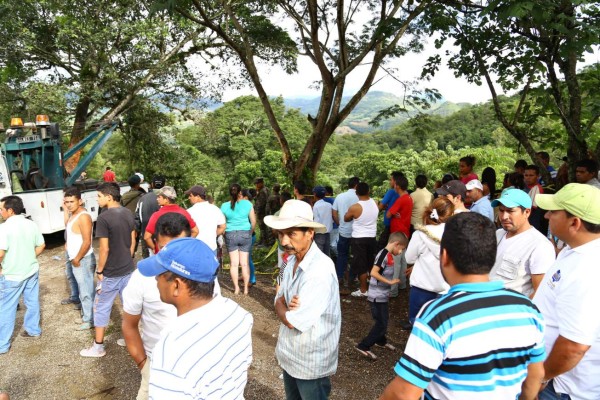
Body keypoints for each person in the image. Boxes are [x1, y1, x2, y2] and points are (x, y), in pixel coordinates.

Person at [380, 212, 546, 400]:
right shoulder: (528, 309)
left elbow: (403, 394)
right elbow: (536, 376)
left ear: (444, 257)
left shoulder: (437, 315)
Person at [138, 237, 253, 399]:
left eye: (160, 273)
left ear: (177, 285)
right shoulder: (238, 314)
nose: (156, 278)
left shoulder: (172, 350)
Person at [266, 200, 341, 400]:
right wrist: (281, 303)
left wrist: (280, 305)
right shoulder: (290, 259)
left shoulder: (320, 270)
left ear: (310, 233)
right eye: (281, 233)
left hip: (310, 360)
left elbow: (293, 320)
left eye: (291, 234)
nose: (284, 241)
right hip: (290, 354)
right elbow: (278, 289)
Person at [533, 183, 600, 399]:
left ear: (574, 222)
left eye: (553, 212)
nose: (546, 217)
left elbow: (574, 346)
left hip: (563, 387)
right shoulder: (575, 250)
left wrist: (541, 377)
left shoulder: (588, 268)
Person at [80, 183, 136, 358]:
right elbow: (133, 239)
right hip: (128, 268)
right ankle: (130, 339)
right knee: (129, 305)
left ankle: (98, 347)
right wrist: (128, 257)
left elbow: (104, 249)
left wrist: (100, 270)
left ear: (109, 197)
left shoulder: (104, 218)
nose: (97, 199)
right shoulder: (128, 213)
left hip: (111, 272)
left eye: (99, 196)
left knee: (102, 307)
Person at [489, 189, 555, 298]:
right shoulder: (498, 234)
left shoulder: (540, 245)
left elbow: (540, 292)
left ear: (527, 212)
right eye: (501, 210)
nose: (504, 216)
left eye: (510, 211)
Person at [0, 196, 45, 354]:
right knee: (32, 301)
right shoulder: (31, 224)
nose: (0, 212)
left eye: (1, 209)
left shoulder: (4, 228)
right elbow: (41, 245)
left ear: (10, 210)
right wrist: (30, 257)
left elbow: (0, 253)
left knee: (6, 308)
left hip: (12, 274)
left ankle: (2, 345)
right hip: (31, 270)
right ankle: (33, 330)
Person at [355, 232, 407, 359]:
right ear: (396, 244)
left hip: (382, 295)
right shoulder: (383, 254)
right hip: (376, 296)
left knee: (382, 320)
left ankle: (381, 341)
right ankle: (363, 345)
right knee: (382, 324)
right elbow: (373, 272)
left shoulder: (388, 255)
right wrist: (390, 282)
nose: (400, 252)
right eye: (401, 249)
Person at [404, 197, 453, 327]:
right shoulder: (454, 234)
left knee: (417, 323)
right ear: (450, 214)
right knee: (439, 325)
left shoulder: (420, 234)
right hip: (444, 287)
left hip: (421, 286)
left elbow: (409, 258)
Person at [63, 187, 96, 331]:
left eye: (72, 201)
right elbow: (70, 231)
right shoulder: (73, 214)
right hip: (75, 257)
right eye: (66, 202)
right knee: (83, 290)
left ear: (80, 201)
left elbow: (87, 241)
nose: (69, 204)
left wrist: (77, 258)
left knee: (86, 291)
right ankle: (86, 316)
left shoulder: (83, 216)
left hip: (83, 259)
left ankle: (90, 320)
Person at [221, 183, 256, 295]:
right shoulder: (248, 204)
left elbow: (223, 224)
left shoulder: (224, 206)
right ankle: (246, 288)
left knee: (234, 264)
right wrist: (250, 232)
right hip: (245, 233)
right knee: (244, 263)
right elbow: (253, 221)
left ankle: (236, 288)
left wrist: (224, 234)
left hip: (231, 234)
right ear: (240, 192)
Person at [345, 182, 379, 297]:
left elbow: (346, 218)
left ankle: (363, 290)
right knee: (371, 262)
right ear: (368, 191)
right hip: (372, 237)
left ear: (356, 193)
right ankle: (373, 287)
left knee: (361, 265)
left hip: (359, 238)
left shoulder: (355, 207)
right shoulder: (375, 203)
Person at [143, 186, 198, 255]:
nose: (157, 199)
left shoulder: (157, 215)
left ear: (166, 199)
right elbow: (195, 231)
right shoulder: (184, 212)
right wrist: (185, 245)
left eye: (159, 197)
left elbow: (147, 237)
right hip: (180, 253)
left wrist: (155, 249)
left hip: (163, 254)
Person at [332, 176, 359, 283]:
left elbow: (334, 213)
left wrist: (339, 223)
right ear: (357, 185)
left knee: (342, 254)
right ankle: (353, 277)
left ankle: (340, 276)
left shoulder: (340, 196)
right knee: (356, 255)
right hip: (357, 232)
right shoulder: (360, 197)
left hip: (343, 231)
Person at [185, 185, 226, 254]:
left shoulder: (189, 212)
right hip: (211, 247)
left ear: (198, 196)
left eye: (190, 195)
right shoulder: (215, 209)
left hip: (194, 248)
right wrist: (213, 234)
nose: (189, 198)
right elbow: (223, 226)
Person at [136, 175, 165, 258]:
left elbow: (137, 219)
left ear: (152, 184)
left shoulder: (142, 199)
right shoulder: (167, 199)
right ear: (164, 184)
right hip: (163, 237)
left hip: (146, 236)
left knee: (147, 262)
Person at [377, 171, 402, 247]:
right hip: (398, 223)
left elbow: (381, 206)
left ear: (395, 182)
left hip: (389, 222)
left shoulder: (391, 191)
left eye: (391, 180)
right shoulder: (403, 193)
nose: (390, 182)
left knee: (382, 245)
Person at [386, 174, 413, 239]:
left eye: (395, 184)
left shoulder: (401, 199)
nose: (394, 186)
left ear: (398, 186)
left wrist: (392, 214)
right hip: (405, 229)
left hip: (398, 231)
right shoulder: (409, 197)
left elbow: (388, 215)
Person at [524, 165, 547, 233]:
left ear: (537, 176)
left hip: (533, 223)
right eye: (526, 175)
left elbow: (531, 209)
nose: (528, 178)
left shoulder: (536, 189)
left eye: (531, 175)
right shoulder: (526, 188)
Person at [312, 186, 333, 256]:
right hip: (328, 232)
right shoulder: (329, 205)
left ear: (314, 194)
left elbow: (316, 221)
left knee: (319, 254)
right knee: (327, 253)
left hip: (319, 233)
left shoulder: (316, 206)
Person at [254, 177, 270, 246]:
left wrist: (256, 211)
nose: (256, 185)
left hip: (262, 212)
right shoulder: (263, 190)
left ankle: (265, 242)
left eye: (258, 183)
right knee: (261, 227)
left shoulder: (263, 191)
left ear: (261, 183)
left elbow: (261, 203)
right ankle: (261, 241)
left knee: (263, 227)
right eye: (256, 184)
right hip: (262, 211)